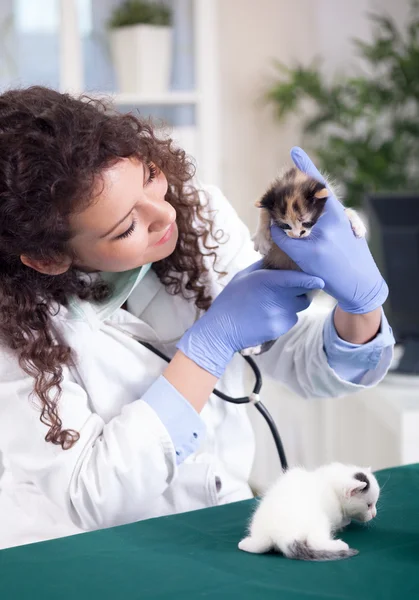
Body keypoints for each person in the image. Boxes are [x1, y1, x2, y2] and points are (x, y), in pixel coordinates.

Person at [0, 87, 394, 549]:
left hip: (218, 525)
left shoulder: (198, 217)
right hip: (83, 553)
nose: (164, 213)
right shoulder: (14, 328)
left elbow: (295, 359)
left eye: (149, 176)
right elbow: (93, 495)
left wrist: (360, 303)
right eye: (126, 227)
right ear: (49, 258)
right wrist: (207, 347)